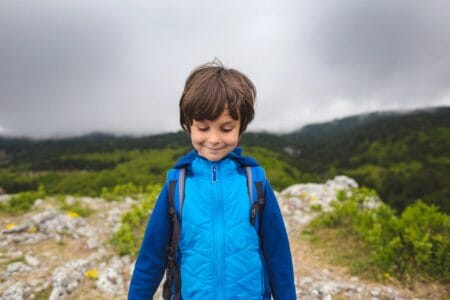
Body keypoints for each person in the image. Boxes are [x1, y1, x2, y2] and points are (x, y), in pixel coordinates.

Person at [128, 60, 296, 299]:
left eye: (226, 128)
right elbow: (150, 259)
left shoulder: (255, 182)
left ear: (241, 126)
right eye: (203, 128)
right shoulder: (177, 185)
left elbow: (278, 258)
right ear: (189, 125)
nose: (214, 139)